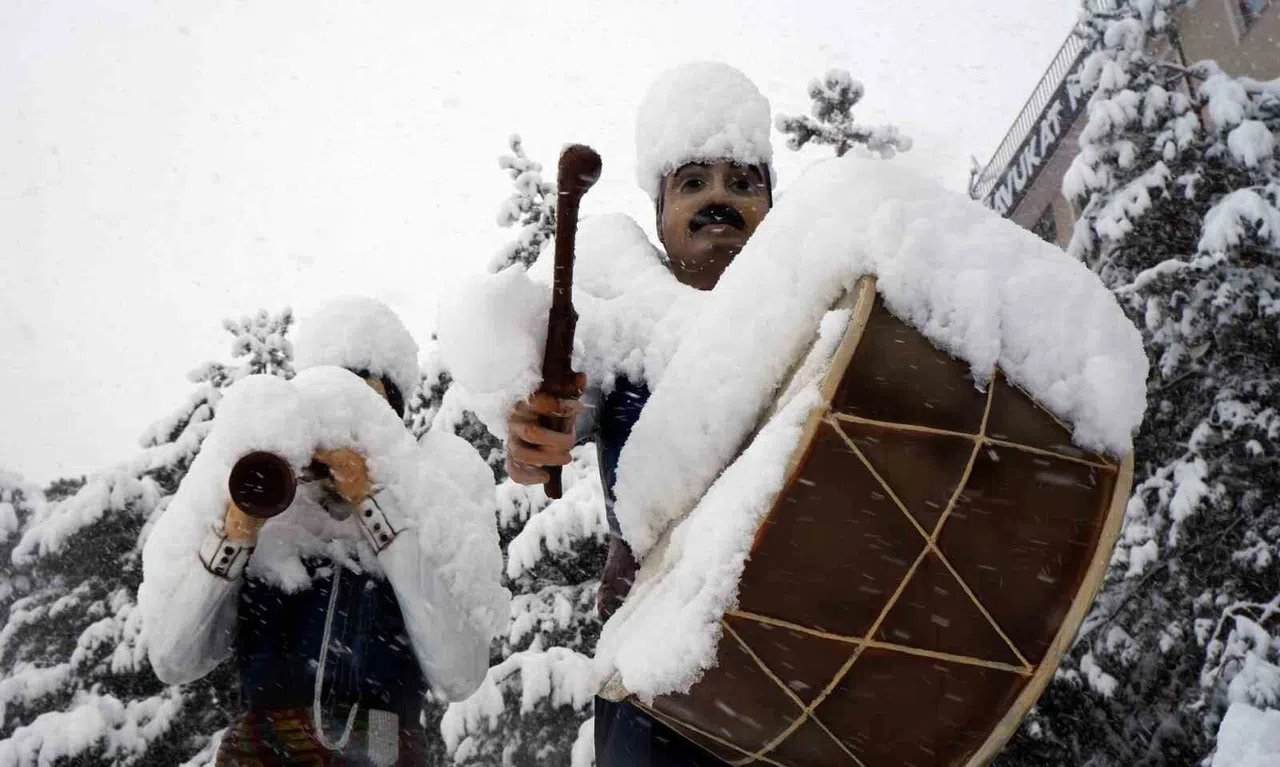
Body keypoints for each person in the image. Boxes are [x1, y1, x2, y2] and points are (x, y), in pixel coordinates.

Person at [503, 61, 774, 767]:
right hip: (654, 686)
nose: (719, 198)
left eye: (743, 183)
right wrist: (535, 438)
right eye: (693, 183)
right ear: (659, 218)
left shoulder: (818, 321)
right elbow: (555, 422)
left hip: (802, 668)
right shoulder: (621, 328)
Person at [139, 297, 508, 766]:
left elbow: (460, 675)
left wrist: (373, 504)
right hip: (266, 747)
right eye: (328, 406)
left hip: (379, 746)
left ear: (390, 422)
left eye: (364, 409)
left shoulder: (437, 487)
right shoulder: (264, 487)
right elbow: (174, 659)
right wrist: (237, 530)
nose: (341, 427)